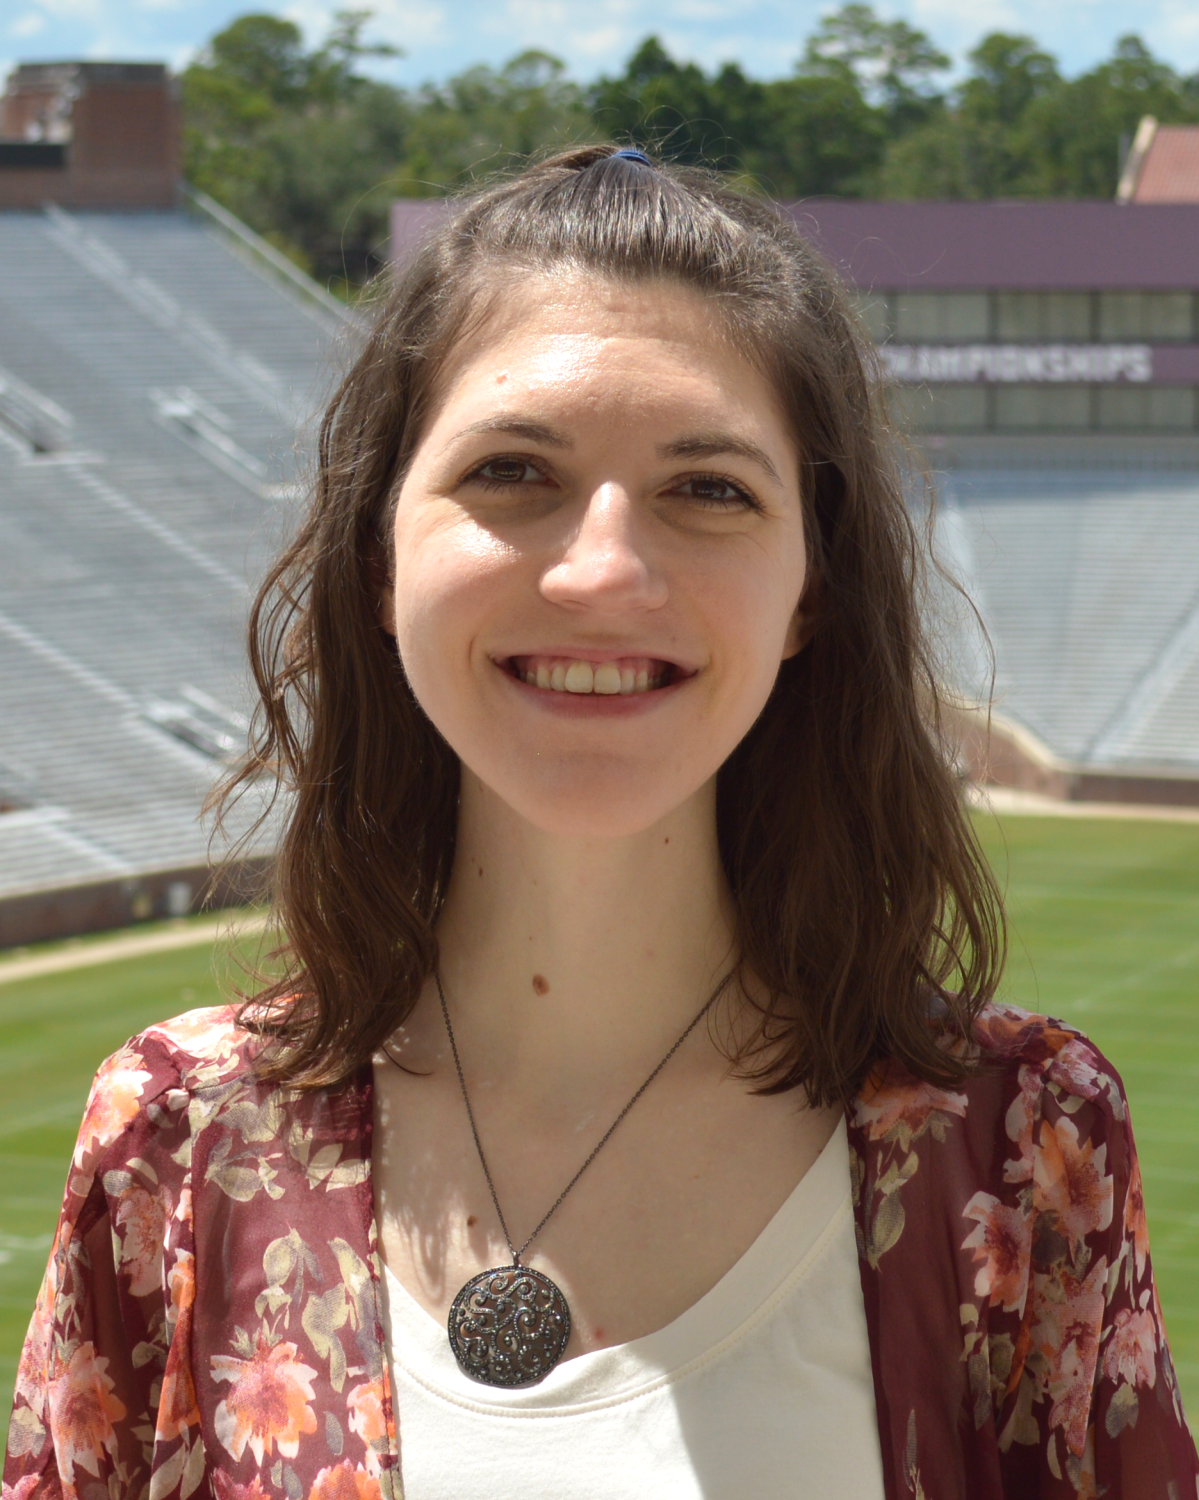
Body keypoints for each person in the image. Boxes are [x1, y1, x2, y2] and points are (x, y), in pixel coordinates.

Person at [5, 146, 1195, 1500]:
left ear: (811, 584)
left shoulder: (1024, 1148)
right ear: (382, 555)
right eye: (513, 470)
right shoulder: (178, 1137)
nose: (604, 570)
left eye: (709, 489)